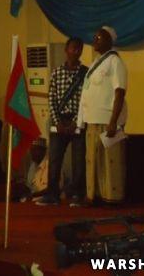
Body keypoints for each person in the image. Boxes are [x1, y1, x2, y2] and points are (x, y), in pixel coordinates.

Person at [77, 26, 128, 205]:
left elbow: (120, 92)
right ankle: (94, 195)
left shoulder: (115, 62)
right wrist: (81, 120)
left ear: (109, 41)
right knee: (93, 161)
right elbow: (86, 92)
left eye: (99, 38)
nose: (95, 40)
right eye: (95, 37)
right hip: (92, 120)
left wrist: (113, 121)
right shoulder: (94, 64)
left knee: (110, 161)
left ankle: (112, 197)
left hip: (107, 121)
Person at [35, 37, 88, 207]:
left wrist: (76, 121)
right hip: (59, 120)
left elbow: (86, 100)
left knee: (79, 160)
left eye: (79, 49)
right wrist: (57, 121)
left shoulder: (85, 74)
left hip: (77, 121)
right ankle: (52, 194)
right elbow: (51, 98)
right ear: (66, 50)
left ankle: (78, 195)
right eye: (73, 48)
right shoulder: (57, 72)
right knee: (55, 159)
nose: (76, 51)